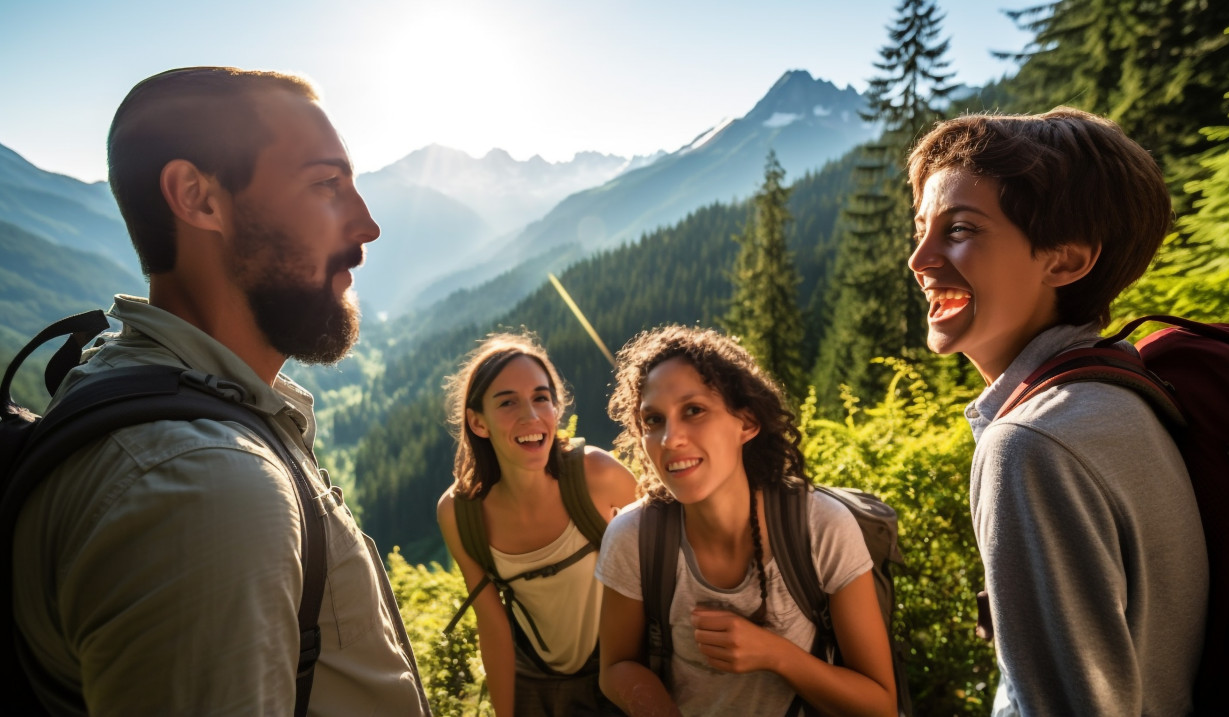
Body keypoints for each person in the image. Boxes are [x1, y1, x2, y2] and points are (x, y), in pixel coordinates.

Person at [12, 67, 431, 715]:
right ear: (198, 198)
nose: (367, 224)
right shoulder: (205, 484)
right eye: (326, 184)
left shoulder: (136, 389)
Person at [906, 107, 1209, 715]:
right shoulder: (1127, 395)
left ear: (1065, 260)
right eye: (921, 228)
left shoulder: (1032, 443)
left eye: (960, 229)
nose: (919, 259)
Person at [595, 325, 896, 716]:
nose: (670, 439)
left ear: (747, 423)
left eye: (694, 410)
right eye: (653, 421)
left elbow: (880, 705)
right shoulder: (634, 536)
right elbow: (615, 667)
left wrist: (776, 655)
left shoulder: (821, 527)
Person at [436, 333, 638, 717]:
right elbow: (493, 626)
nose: (530, 416)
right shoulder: (460, 514)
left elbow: (667, 564)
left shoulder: (598, 475)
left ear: (556, 409)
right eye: (508, 402)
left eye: (541, 398)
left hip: (623, 668)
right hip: (534, 683)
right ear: (478, 422)